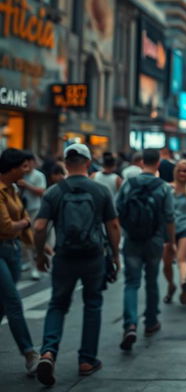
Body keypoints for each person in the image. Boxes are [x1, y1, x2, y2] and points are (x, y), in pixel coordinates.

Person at [32, 143, 120, 386]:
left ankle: (48, 352)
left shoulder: (54, 192)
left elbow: (39, 227)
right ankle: (86, 360)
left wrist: (40, 254)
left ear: (66, 164)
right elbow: (113, 225)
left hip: (64, 257)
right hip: (93, 256)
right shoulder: (100, 190)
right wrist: (115, 255)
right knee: (92, 305)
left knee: (58, 305)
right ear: (88, 163)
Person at [116, 148, 176, 351]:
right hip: (154, 240)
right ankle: (151, 322)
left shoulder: (128, 184)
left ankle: (130, 324)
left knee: (131, 283)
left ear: (141, 163)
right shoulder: (163, 188)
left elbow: (117, 211)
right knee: (151, 281)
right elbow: (169, 217)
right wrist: (172, 241)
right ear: (158, 163)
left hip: (132, 240)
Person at [0, 148, 39, 376]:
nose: (27, 170)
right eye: (24, 166)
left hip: (12, 250)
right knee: (13, 302)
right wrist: (25, 223)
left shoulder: (13, 189)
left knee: (4, 304)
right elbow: (6, 226)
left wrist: (39, 247)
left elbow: (22, 221)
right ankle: (29, 354)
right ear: (13, 168)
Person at [162, 159, 186, 305]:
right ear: (175, 172)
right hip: (168, 230)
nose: (183, 173)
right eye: (180, 170)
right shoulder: (166, 188)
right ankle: (171, 286)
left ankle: (185, 284)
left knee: (181, 258)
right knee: (166, 263)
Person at [18, 151, 47, 280]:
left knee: (33, 239)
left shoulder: (39, 175)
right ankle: (29, 263)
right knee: (24, 240)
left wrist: (27, 186)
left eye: (28, 162)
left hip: (35, 210)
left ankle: (34, 265)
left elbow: (42, 192)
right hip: (22, 210)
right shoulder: (20, 175)